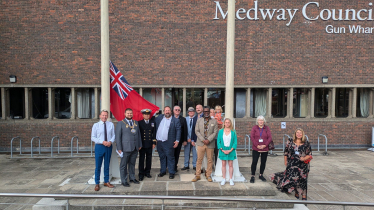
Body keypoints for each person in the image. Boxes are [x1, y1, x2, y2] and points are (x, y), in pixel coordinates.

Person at [270, 128, 312, 200]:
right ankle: (296, 193)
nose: (299, 134)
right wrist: (285, 161)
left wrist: (304, 158)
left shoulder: (306, 143)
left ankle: (304, 195)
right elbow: (286, 152)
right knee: (294, 179)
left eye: (300, 133)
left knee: (303, 180)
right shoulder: (290, 141)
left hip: (302, 165)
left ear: (302, 134)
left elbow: (310, 154)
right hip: (292, 164)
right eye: (297, 133)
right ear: (295, 134)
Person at [116, 108, 142, 187]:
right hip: (125, 148)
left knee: (132, 164)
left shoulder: (135, 122)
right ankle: (124, 180)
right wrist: (119, 148)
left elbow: (138, 135)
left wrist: (139, 145)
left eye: (131, 113)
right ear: (125, 114)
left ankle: (132, 177)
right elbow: (118, 137)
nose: (129, 114)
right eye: (128, 113)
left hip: (134, 147)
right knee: (123, 165)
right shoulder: (120, 123)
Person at [192, 106, 218, 182]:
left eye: (208, 111)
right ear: (203, 112)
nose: (206, 113)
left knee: (210, 160)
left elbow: (215, 132)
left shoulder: (214, 121)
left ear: (209, 112)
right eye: (205, 111)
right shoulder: (199, 120)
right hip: (200, 143)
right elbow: (196, 131)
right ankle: (197, 175)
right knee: (199, 159)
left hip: (210, 144)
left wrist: (208, 140)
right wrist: (203, 140)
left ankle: (208, 175)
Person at [91, 110, 115, 191]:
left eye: (106, 115)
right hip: (99, 147)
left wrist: (110, 142)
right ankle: (97, 183)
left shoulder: (110, 124)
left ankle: (106, 181)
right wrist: (102, 142)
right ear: (100, 115)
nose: (104, 117)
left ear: (107, 116)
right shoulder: (96, 125)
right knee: (98, 166)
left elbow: (113, 135)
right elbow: (93, 137)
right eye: (103, 115)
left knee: (107, 164)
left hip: (108, 146)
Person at [155, 106, 181, 179]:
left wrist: (177, 141)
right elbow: (152, 119)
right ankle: (163, 171)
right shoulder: (159, 117)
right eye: (166, 110)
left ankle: (171, 172)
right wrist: (154, 113)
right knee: (162, 157)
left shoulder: (175, 120)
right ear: (164, 111)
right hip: (159, 142)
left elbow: (179, 130)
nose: (167, 112)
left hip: (169, 142)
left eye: (168, 110)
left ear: (171, 111)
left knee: (170, 158)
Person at [250, 115, 272, 183]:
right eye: (259, 120)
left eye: (262, 120)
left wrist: (265, 145)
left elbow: (270, 138)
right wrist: (257, 145)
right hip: (256, 148)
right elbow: (252, 137)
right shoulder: (254, 128)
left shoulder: (267, 128)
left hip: (265, 148)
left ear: (264, 121)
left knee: (263, 162)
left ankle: (261, 175)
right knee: (254, 162)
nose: (261, 121)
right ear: (257, 121)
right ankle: (253, 176)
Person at [217, 118, 237, 186]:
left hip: (231, 150)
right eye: (226, 122)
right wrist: (222, 150)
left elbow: (235, 142)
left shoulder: (233, 131)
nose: (227, 124)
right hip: (223, 150)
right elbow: (218, 141)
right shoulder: (220, 131)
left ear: (230, 123)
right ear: (224, 123)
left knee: (231, 164)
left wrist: (230, 150)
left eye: (228, 122)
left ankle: (231, 179)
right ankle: (224, 178)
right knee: (223, 164)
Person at [138, 109, 157, 181]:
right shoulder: (139, 123)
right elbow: (138, 135)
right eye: (145, 114)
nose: (147, 115)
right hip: (142, 144)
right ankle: (141, 174)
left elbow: (154, 133)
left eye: (148, 114)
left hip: (149, 144)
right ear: (143, 115)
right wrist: (139, 144)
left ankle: (147, 172)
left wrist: (154, 142)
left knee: (149, 159)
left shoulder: (153, 122)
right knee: (141, 159)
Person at [173, 105, 187, 172]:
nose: (177, 111)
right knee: (170, 154)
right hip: (171, 140)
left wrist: (184, 140)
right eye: (176, 110)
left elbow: (185, 130)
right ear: (173, 111)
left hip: (179, 140)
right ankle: (170, 166)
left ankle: (175, 167)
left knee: (177, 154)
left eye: (178, 110)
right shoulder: (170, 118)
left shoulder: (183, 119)